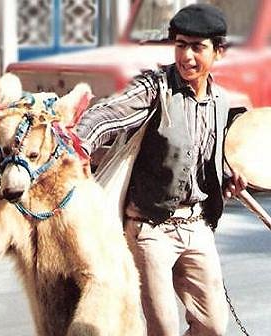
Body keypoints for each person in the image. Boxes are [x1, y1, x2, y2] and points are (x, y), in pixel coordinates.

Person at [75, 4, 247, 336]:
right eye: (181, 45)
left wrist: (227, 177)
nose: (187, 56)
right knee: (163, 329)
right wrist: (79, 141)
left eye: (198, 47)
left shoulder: (220, 101)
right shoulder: (155, 89)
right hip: (150, 231)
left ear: (219, 52)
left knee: (212, 326)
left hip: (197, 227)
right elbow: (109, 113)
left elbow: (205, 158)